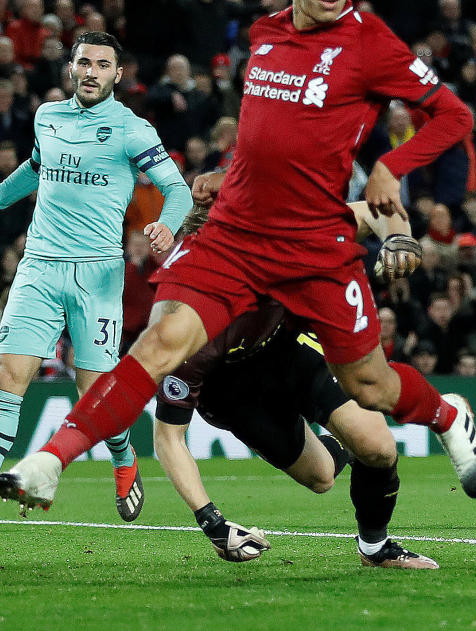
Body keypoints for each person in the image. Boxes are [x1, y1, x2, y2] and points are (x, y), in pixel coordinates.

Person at [0, 0, 476, 515]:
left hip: (313, 246)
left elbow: (456, 116)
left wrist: (392, 167)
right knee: (158, 343)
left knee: (372, 386)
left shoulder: (369, 44)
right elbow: (269, 142)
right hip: (236, 237)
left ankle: (446, 413)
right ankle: (49, 462)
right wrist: (226, 175)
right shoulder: (265, 36)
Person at [0, 30, 192, 528]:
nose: (91, 72)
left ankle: (124, 459)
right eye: (84, 63)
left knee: (93, 392)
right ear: (71, 68)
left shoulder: (130, 130)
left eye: (102, 64)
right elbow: (34, 171)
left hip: (97, 276)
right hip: (38, 267)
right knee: (9, 375)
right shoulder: (47, 117)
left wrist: (166, 223)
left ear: (117, 75)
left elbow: (176, 189)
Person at [154, 200, 434, 567]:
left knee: (378, 447)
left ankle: (375, 547)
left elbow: (372, 211)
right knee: (320, 477)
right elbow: (168, 438)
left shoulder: (281, 235)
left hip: (288, 350)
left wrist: (398, 238)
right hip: (233, 395)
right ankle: (342, 443)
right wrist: (213, 522)